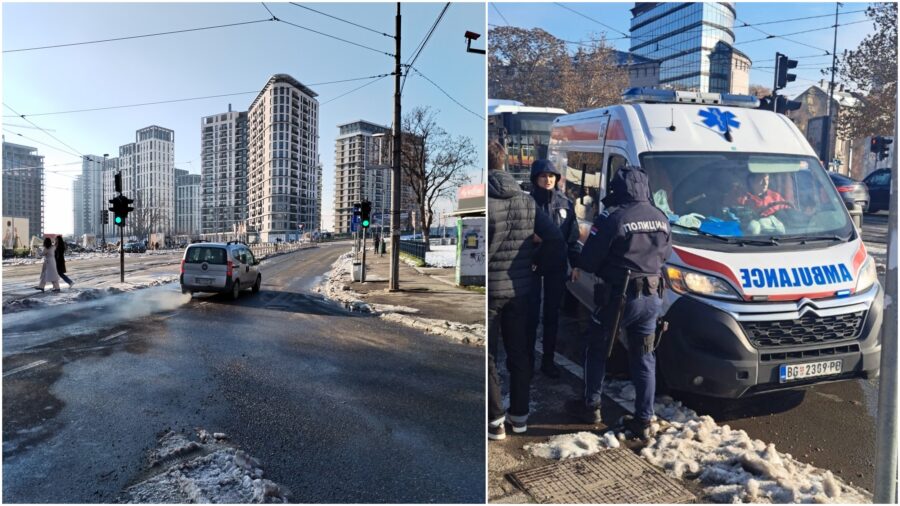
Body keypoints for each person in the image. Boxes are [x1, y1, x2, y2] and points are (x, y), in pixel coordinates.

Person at [570, 166, 671, 438]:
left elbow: (589, 260)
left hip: (619, 297)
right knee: (644, 357)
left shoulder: (612, 218)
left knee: (597, 349)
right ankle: (644, 418)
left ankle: (591, 406)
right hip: (652, 296)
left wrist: (577, 253)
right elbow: (665, 255)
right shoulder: (660, 217)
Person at [488, 141, 561, 441]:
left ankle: (495, 421)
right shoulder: (527, 202)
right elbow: (554, 240)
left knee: (489, 357)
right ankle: (520, 418)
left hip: (490, 291)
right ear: (504, 163)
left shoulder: (483, 201)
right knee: (519, 353)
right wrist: (535, 267)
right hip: (521, 289)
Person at [527, 159, 581, 378]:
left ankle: (548, 361)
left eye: (551, 176)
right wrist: (531, 239)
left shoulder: (566, 203)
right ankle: (527, 360)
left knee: (552, 316)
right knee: (530, 315)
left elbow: (573, 238)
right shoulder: (528, 203)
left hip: (557, 266)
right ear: (535, 179)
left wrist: (576, 264)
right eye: (543, 176)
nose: (547, 180)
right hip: (531, 265)